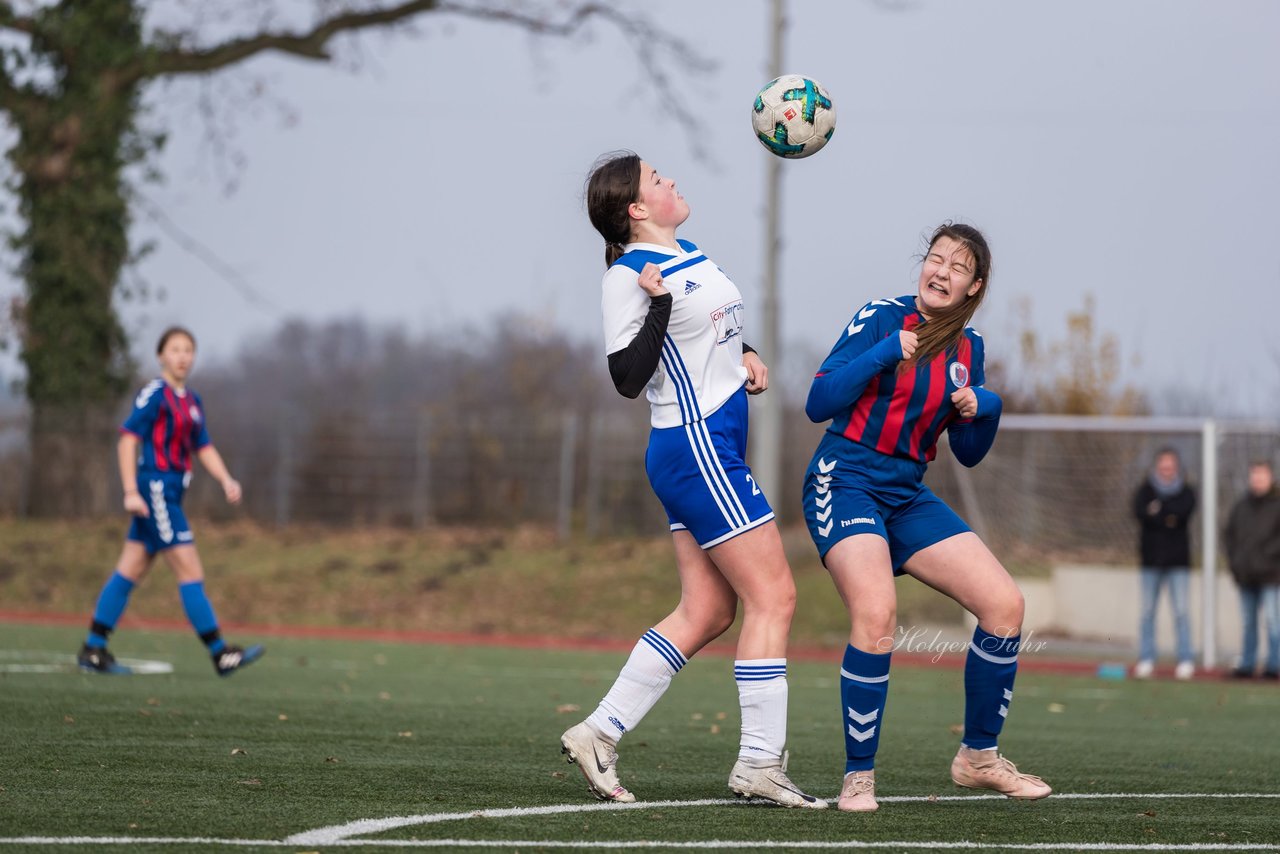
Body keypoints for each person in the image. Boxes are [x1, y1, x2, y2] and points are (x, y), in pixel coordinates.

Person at [559, 151, 826, 809]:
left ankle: (598, 733)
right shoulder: (629, 275)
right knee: (776, 596)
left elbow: (709, 329)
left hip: (708, 444)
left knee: (707, 610)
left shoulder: (690, 252)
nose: (671, 179)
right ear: (636, 209)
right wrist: (658, 304)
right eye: (656, 178)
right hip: (697, 447)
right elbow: (627, 377)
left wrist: (748, 352)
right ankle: (760, 764)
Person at [801, 223, 1050, 813]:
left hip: (907, 493)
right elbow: (818, 401)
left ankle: (978, 759)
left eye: (956, 267)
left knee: (1005, 605)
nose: (940, 272)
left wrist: (985, 407)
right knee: (877, 612)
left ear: (974, 286)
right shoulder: (881, 316)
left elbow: (967, 451)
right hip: (846, 477)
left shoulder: (971, 349)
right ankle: (858, 778)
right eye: (935, 259)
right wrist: (886, 353)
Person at [76, 327, 264, 677]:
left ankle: (94, 649)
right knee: (190, 569)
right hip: (156, 491)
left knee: (130, 568)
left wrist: (226, 480)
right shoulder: (155, 394)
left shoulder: (192, 402)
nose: (182, 356)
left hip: (172, 492)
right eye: (175, 349)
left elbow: (203, 446)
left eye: (188, 350)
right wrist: (131, 491)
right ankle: (219, 653)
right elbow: (127, 439)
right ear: (161, 355)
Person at [1131, 448, 1197, 680]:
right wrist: (1166, 517)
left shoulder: (1187, 491)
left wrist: (1158, 513)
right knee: (1147, 613)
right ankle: (1147, 659)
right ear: (1157, 466)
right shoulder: (1145, 491)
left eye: (1170, 465)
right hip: (1150, 562)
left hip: (1178, 563)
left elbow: (1182, 514)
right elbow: (1140, 514)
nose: (1166, 469)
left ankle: (1186, 659)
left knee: (1181, 612)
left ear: (1176, 467)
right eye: (1163, 465)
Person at [1223, 460, 1280, 680]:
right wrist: (1236, 561)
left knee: (1272, 621)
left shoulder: (1276, 505)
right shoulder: (1241, 506)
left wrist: (1266, 557)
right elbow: (1229, 536)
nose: (1258, 479)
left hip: (1271, 574)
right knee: (1248, 622)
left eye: (1262, 475)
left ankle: (1274, 666)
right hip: (1246, 575)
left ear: (1270, 477)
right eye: (1254, 475)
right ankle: (1247, 664)